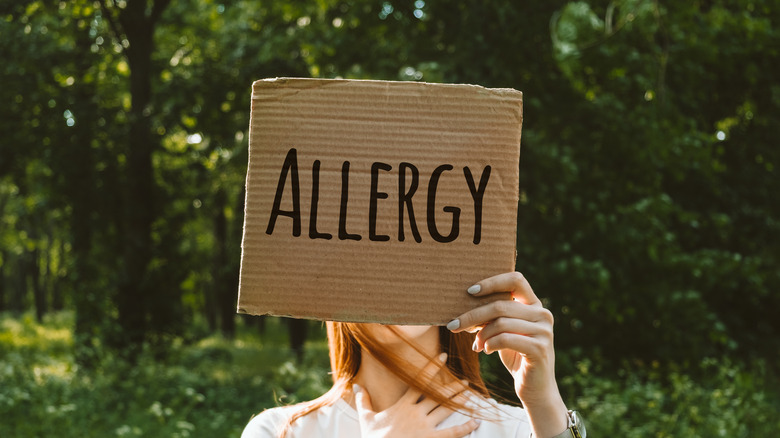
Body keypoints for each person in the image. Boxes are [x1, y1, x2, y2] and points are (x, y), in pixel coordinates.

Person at [241, 272, 586, 438]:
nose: (396, 278)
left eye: (419, 258)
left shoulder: (522, 430)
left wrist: (544, 401)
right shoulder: (278, 433)